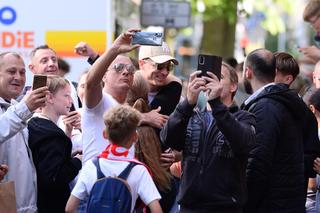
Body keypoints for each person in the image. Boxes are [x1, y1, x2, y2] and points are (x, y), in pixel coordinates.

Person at [160, 62, 256, 213]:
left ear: (233, 86)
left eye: (219, 77)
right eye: (207, 77)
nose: (211, 81)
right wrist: (187, 103)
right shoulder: (190, 114)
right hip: (189, 207)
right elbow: (167, 139)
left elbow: (244, 143)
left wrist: (216, 104)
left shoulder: (244, 117)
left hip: (226, 208)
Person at [242, 48, 308, 212]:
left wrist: (245, 205)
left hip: (270, 204)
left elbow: (257, 164)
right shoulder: (279, 102)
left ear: (248, 72)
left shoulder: (266, 107)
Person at [65, 105, 163, 213]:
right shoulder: (139, 170)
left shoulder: (91, 165)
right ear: (135, 137)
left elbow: (70, 208)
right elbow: (156, 210)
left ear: (105, 134)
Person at [77, 29, 140, 165]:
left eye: (130, 69)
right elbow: (91, 82)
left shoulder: (128, 109)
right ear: (104, 76)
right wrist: (114, 49)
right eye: (118, 67)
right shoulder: (99, 101)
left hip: (122, 183)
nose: (125, 72)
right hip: (98, 183)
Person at [0, 52, 48, 212]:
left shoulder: (16, 107)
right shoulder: (21, 109)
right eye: (11, 71)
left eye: (22, 72)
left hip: (27, 206)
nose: (18, 78)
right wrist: (25, 108)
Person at [28, 76, 82, 213]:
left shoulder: (34, 125)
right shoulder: (52, 134)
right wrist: (77, 161)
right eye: (66, 95)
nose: (71, 101)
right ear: (50, 98)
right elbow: (54, 178)